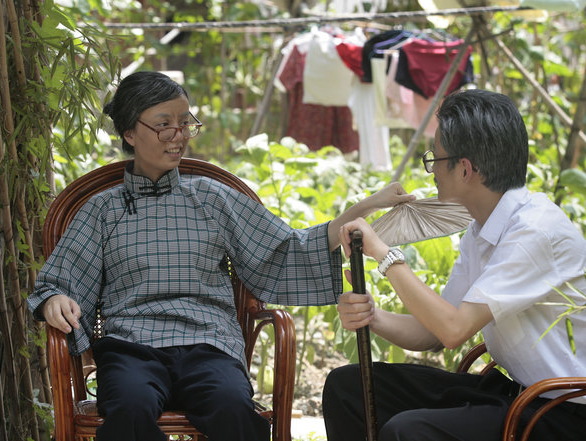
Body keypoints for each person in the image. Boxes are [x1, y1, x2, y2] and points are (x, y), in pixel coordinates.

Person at [27, 71, 415, 441]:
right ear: (130, 132)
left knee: (233, 407)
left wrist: (368, 205)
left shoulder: (213, 198)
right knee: (128, 408)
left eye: (185, 123)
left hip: (209, 345)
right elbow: (59, 282)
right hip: (131, 347)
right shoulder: (102, 209)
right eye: (164, 124)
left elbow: (288, 247)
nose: (178, 136)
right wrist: (55, 299)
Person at [323, 89, 586, 441]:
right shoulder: (481, 229)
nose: (430, 169)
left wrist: (385, 255)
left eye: (435, 158)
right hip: (515, 394)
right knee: (347, 387)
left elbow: (452, 329)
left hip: (562, 412)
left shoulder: (535, 231)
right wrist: (371, 314)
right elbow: (431, 332)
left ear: (464, 169)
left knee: (408, 432)